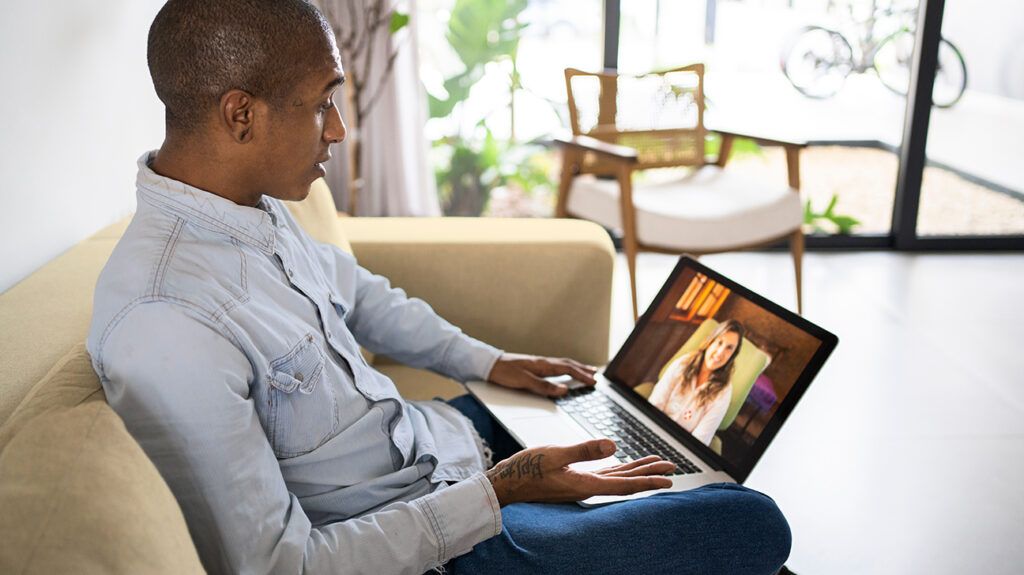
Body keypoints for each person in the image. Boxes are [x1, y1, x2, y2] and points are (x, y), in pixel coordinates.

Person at [85, 1, 791, 573]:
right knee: (753, 523)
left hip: (442, 443)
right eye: (320, 104)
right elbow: (283, 566)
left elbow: (361, 297)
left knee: (600, 405)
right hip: (443, 543)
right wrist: (505, 489)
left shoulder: (251, 206)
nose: (338, 130)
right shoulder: (167, 317)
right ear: (241, 114)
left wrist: (489, 364)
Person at [649, 320, 746, 446]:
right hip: (654, 429)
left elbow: (700, 439)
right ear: (710, 341)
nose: (720, 352)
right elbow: (655, 404)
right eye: (719, 342)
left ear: (732, 356)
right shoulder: (682, 364)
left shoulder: (724, 392)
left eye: (729, 348)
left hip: (682, 446)